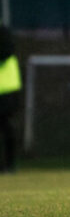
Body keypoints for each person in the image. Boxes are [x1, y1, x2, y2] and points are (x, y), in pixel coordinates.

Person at [0, 24, 21, 174]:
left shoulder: (3, 32)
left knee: (7, 126)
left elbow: (6, 51)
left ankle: (10, 164)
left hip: (6, 88)